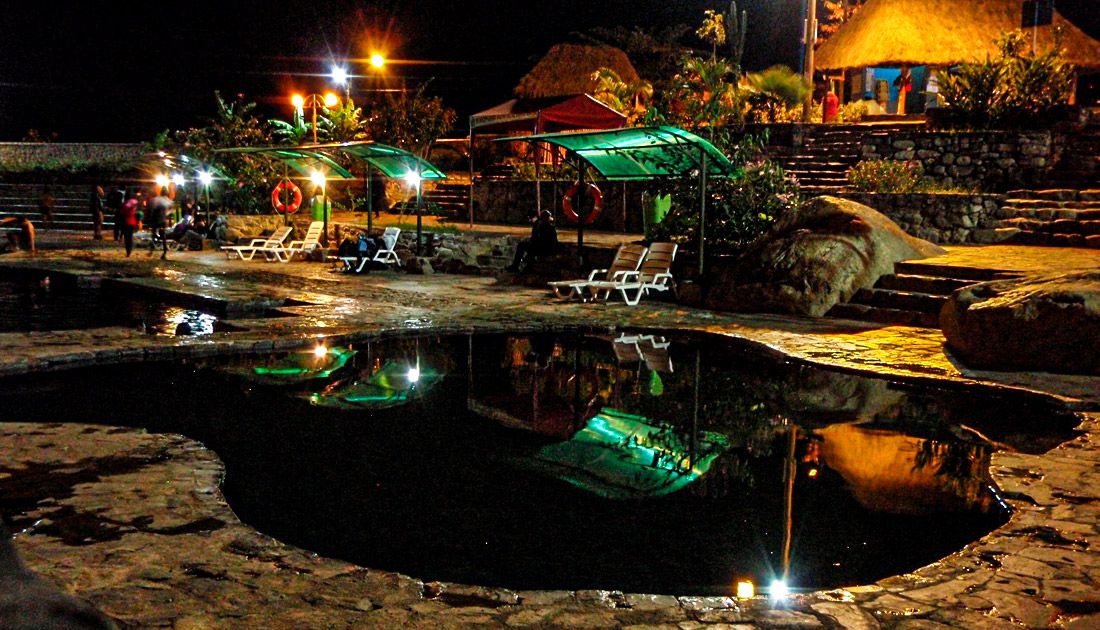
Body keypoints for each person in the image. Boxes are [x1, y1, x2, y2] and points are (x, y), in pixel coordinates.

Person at [148, 187, 173, 259]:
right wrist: (166, 214)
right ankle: (164, 253)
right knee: (163, 235)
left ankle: (151, 250)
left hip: (155, 219)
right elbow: (171, 210)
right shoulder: (168, 201)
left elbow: (151, 208)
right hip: (163, 220)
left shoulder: (155, 199)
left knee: (153, 234)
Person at [120, 192, 139, 256]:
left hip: (126, 221)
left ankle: (128, 250)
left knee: (126, 237)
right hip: (132, 221)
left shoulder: (124, 204)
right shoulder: (134, 204)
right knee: (130, 236)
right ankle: (130, 248)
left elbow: (122, 213)